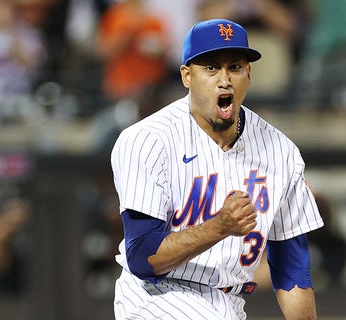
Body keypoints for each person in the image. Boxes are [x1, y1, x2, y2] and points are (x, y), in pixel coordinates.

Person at [110, 19, 324, 319]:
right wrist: (219, 226)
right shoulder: (148, 139)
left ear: (248, 74)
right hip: (155, 298)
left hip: (230, 303)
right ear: (187, 76)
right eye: (211, 68)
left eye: (235, 67)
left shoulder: (281, 151)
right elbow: (143, 256)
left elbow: (292, 273)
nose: (224, 80)